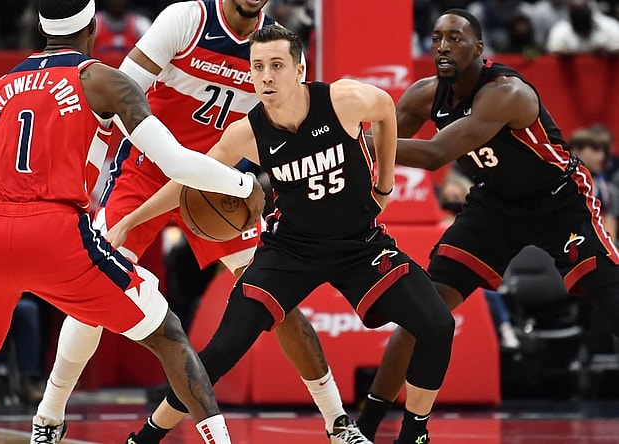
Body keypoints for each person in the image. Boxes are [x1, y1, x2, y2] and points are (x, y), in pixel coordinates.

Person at [0, 1, 265, 443]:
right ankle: (219, 440)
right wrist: (242, 186)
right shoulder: (102, 79)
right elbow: (177, 162)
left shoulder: (6, 82)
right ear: (91, 27)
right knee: (168, 334)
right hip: (55, 230)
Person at [110, 25, 455, 444]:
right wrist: (129, 221)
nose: (266, 77)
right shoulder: (246, 133)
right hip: (291, 250)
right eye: (258, 67)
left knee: (437, 323)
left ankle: (414, 433)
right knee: (221, 351)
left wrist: (384, 184)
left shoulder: (342, 100)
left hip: (360, 245)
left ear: (299, 69)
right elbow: (187, 180)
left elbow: (384, 109)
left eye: (276, 65)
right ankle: (145, 438)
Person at [34, 1, 357, 443]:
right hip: (147, 170)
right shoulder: (187, 19)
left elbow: (288, 124)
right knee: (96, 291)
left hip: (219, 185)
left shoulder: (273, 45)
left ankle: (338, 421)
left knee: (277, 299)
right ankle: (49, 416)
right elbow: (123, 92)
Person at [356, 9, 619, 442]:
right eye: (436, 37)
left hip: (560, 201)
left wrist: (353, 140)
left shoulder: (507, 93)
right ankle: (370, 428)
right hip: (493, 206)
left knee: (609, 297)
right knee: (424, 313)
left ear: (478, 48)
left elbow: (436, 153)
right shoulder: (424, 95)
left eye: (455, 38)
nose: (443, 45)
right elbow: (378, 151)